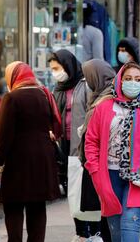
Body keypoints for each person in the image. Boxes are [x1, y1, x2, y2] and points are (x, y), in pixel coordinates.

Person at [84, 62, 140, 241]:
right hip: (108, 176)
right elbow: (91, 141)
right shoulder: (104, 107)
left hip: (139, 176)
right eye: (127, 79)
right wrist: (95, 170)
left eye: (137, 79)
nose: (132, 83)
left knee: (130, 225)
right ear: (119, 81)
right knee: (116, 233)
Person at [0, 61, 61, 242]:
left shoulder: (12, 98)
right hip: (42, 160)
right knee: (37, 208)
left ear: (12, 77)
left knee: (14, 207)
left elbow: (3, 136)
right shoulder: (43, 94)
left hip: (19, 163)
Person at [49, 50, 99, 241]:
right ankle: (81, 232)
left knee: (88, 189)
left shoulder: (85, 84)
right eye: (52, 69)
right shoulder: (59, 88)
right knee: (73, 189)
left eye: (57, 68)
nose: (55, 72)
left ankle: (95, 231)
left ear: (68, 65)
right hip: (66, 143)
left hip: (85, 144)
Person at [80, 59, 118, 242]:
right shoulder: (99, 95)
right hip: (97, 161)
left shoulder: (108, 98)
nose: (87, 82)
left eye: (88, 77)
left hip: (105, 163)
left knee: (108, 213)